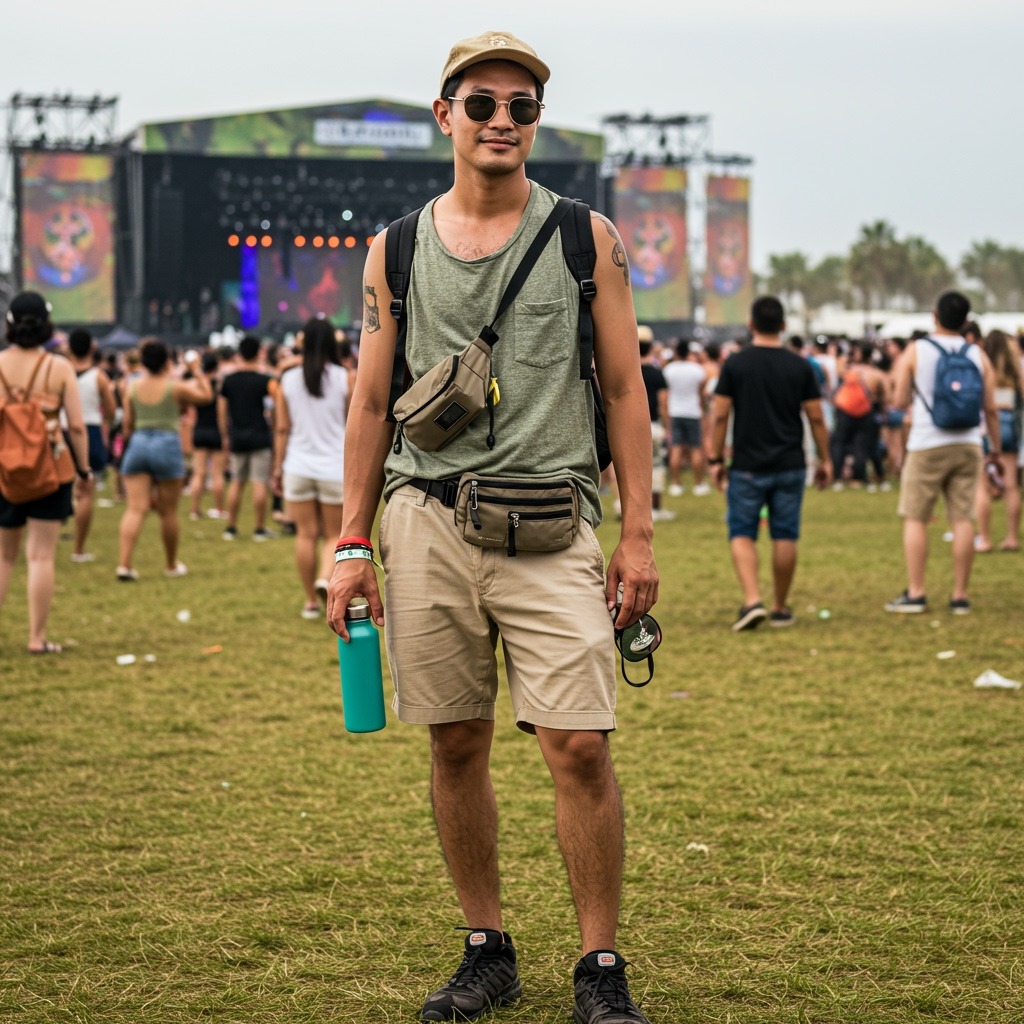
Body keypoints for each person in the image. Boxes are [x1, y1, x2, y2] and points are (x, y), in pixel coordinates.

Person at [326, 30, 658, 1024]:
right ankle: (487, 948)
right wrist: (351, 543)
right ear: (446, 116)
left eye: (522, 107)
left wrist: (638, 535)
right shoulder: (395, 248)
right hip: (426, 520)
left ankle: (599, 963)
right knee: (456, 741)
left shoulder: (585, 237)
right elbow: (370, 402)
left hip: (553, 521)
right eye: (482, 104)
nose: (502, 121)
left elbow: (625, 389)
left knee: (579, 746)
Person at [708, 296, 832, 631]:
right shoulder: (800, 366)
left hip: (746, 464)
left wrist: (715, 458)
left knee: (741, 532)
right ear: (783, 326)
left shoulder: (735, 364)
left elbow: (720, 415)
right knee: (785, 534)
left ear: (751, 325)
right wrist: (825, 459)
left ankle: (752, 601)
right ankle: (779, 607)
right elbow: (816, 418)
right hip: (790, 463)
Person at [884, 291, 1001, 614]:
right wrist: (994, 448)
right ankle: (960, 595)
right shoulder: (977, 354)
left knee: (916, 517)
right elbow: (991, 408)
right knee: (962, 518)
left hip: (927, 442)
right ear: (966, 321)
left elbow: (899, 400)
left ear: (934, 315)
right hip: (968, 443)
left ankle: (917, 592)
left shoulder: (917, 350)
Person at [0, 292, 90, 653]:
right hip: (51, 467)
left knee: (4, 556)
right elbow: (77, 426)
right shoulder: (59, 367)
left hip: (4, 469)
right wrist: (84, 469)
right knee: (41, 556)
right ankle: (37, 638)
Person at [272, 317, 355, 619]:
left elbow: (282, 429)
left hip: (298, 465)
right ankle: (324, 577)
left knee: (305, 535)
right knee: (334, 535)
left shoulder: (287, 380)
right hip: (334, 466)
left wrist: (278, 468)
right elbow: (354, 424)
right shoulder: (345, 378)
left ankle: (310, 600)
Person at [116, 338, 212, 580]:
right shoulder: (175, 387)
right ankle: (170, 565)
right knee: (168, 512)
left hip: (138, 443)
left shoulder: (132, 387)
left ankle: (124, 565)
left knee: (135, 509)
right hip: (167, 444)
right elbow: (206, 396)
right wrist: (196, 370)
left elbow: (127, 424)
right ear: (167, 361)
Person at [218, 334, 278, 541]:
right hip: (260, 434)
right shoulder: (265, 380)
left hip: (237, 435)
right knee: (259, 482)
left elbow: (222, 410)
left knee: (237, 482)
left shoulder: (229, 380)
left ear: (240, 353)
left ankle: (230, 527)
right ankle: (259, 528)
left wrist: (225, 434)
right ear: (258, 353)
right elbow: (276, 407)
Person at [65, 328, 116, 562]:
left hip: (62, 431)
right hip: (90, 431)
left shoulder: (60, 373)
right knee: (86, 491)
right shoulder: (99, 377)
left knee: (56, 488)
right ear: (92, 348)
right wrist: (106, 426)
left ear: (68, 348)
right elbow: (111, 410)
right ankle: (78, 549)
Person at [973, 329, 1022, 553]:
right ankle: (1012, 537)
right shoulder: (1015, 369)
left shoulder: (982, 365)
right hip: (1010, 425)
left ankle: (984, 538)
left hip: (985, 427)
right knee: (1011, 485)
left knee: (982, 486)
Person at [829, 341, 888, 489]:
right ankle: (860, 476)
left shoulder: (850, 372)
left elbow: (838, 367)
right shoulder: (876, 374)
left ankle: (838, 477)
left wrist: (844, 355)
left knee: (839, 444)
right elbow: (887, 396)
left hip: (844, 412)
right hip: (867, 412)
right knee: (861, 446)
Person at [663, 338, 712, 496]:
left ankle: (676, 484)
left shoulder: (669, 369)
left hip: (675, 411)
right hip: (693, 411)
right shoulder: (697, 370)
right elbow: (700, 392)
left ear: (676, 352)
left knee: (676, 447)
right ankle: (699, 484)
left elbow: (666, 392)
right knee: (696, 448)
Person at [187, 350, 228, 521]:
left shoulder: (198, 385)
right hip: (215, 431)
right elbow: (222, 412)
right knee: (217, 473)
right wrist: (224, 435)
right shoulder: (219, 385)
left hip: (200, 429)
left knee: (199, 473)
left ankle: (194, 510)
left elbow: (191, 410)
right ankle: (218, 509)